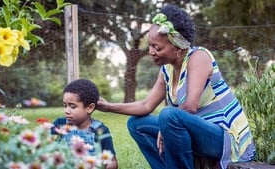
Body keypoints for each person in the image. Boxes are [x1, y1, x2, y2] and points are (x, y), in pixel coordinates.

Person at [97, 4, 256, 169]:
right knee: (137, 124)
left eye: (157, 47)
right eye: (150, 45)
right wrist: (108, 106)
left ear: (178, 48)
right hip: (199, 132)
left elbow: (190, 106)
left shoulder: (199, 57)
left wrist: (165, 128)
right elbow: (146, 105)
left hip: (227, 139)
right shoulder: (167, 69)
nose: (150, 51)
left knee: (168, 115)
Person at [51, 79, 118, 169]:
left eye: (72, 106)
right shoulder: (59, 124)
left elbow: (112, 161)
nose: (66, 111)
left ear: (90, 108)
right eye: (65, 105)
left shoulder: (100, 130)